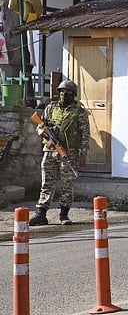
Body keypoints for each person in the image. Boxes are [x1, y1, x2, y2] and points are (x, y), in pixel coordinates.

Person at [29, 80, 89, 226]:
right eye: (61, 91)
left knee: (67, 183)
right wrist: (41, 131)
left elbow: (85, 134)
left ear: (73, 95)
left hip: (69, 153)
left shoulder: (79, 112)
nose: (63, 94)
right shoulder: (51, 108)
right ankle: (41, 213)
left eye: (67, 92)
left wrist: (83, 153)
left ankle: (64, 214)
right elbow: (40, 125)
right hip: (50, 150)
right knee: (47, 182)